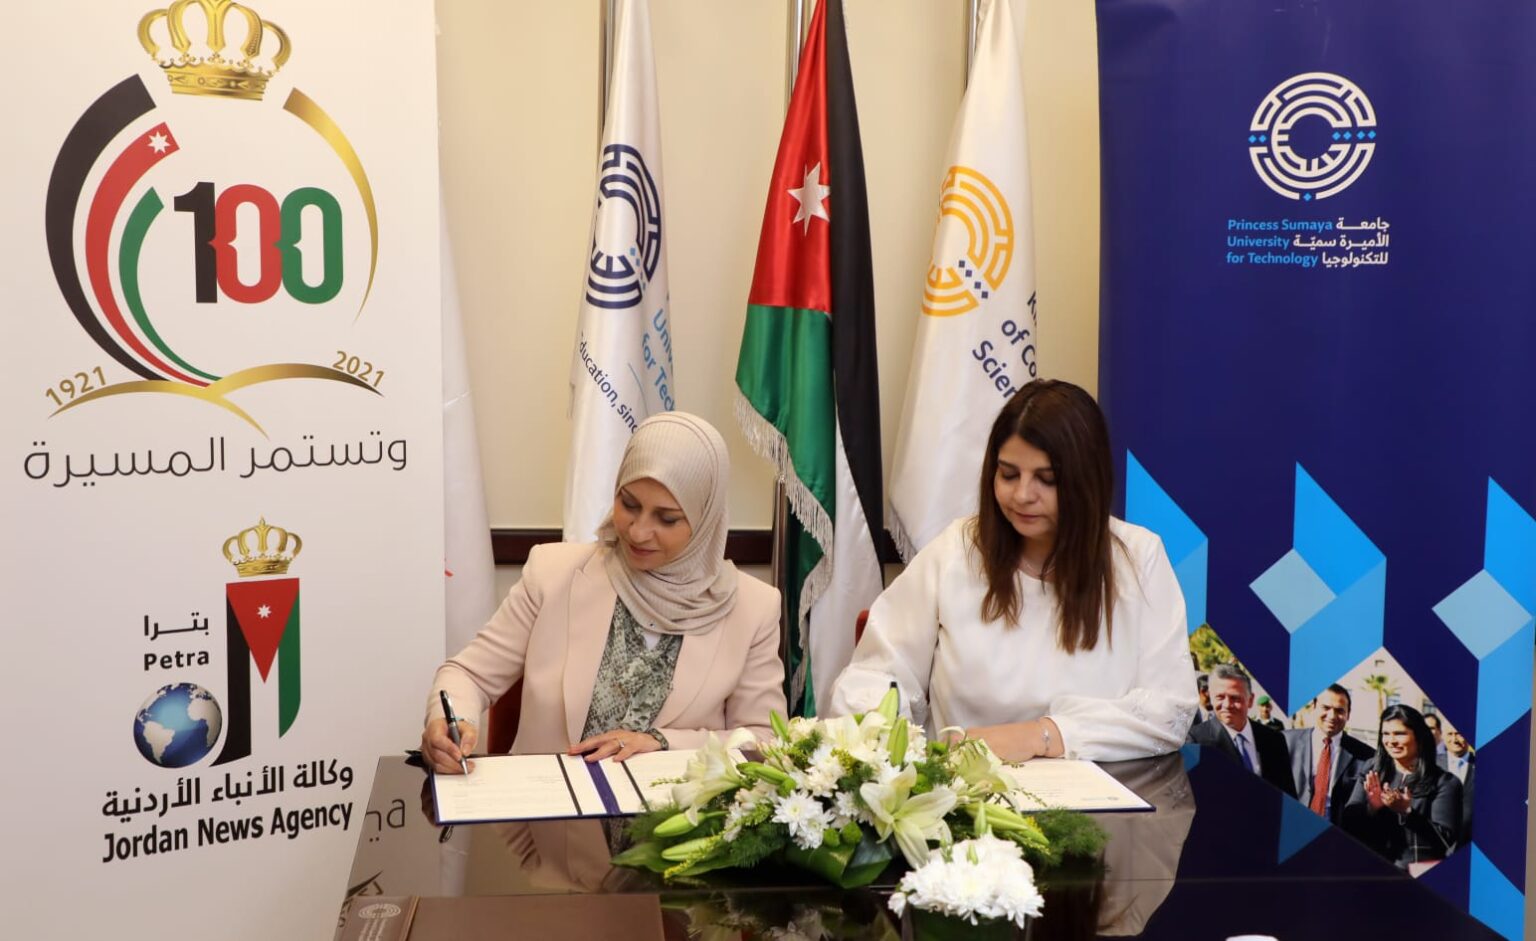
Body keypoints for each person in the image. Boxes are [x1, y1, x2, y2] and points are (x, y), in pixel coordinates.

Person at [828, 379, 1198, 762]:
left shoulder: (1139, 557)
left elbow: (1171, 709)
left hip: (1102, 794)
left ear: (1087, 480)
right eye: (1008, 474)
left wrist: (1043, 735)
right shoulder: (956, 550)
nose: (1022, 495)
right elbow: (875, 673)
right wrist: (888, 742)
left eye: (1046, 479)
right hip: (964, 789)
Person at [420, 412, 786, 773]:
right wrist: (452, 722)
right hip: (549, 806)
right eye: (629, 504)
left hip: (673, 811)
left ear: (705, 517)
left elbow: (765, 740)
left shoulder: (753, 608)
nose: (638, 532)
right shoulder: (552, 573)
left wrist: (663, 742)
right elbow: (468, 675)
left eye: (667, 518)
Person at [1342, 705, 1461, 869]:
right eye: (1385, 734)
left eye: (1399, 733)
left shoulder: (1444, 782)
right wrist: (1372, 808)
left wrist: (1407, 813)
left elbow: (1445, 840)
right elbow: (1348, 823)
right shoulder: (1372, 770)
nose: (1391, 741)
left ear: (1419, 736)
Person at [1188, 664, 1297, 796]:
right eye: (1220, 697)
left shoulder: (1274, 740)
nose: (1227, 705)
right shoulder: (1196, 741)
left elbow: (1288, 796)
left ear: (1250, 700)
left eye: (1234, 698)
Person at [1283, 684, 1373, 823]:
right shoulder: (1285, 741)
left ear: (1348, 714)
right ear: (1314, 707)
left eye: (1339, 710)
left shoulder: (1365, 756)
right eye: (1326, 708)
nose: (1332, 716)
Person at [1443, 726, 1475, 844]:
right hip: (1438, 843)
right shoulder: (1431, 764)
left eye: (1459, 734)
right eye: (1449, 734)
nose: (1454, 739)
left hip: (1470, 841)